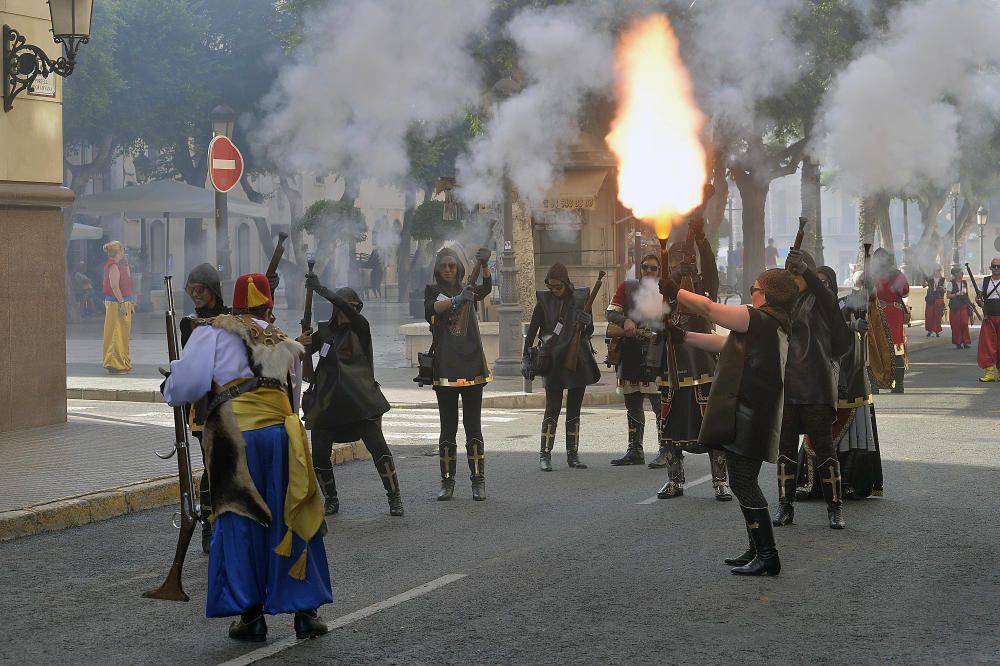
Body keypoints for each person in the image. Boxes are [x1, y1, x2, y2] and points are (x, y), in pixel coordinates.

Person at [161, 273, 331, 642]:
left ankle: (251, 616)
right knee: (291, 517)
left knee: (240, 520)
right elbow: (293, 397)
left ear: (234, 303)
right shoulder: (284, 339)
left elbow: (186, 385)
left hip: (236, 439)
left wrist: (169, 386)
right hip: (284, 438)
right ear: (268, 305)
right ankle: (306, 613)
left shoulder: (211, 331)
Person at [659, 267, 798, 576]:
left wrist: (675, 292)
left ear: (770, 295)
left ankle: (767, 554)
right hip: (750, 411)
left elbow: (709, 309)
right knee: (741, 481)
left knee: (743, 482)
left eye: (755, 288)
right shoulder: (765, 325)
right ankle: (756, 549)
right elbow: (724, 344)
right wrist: (682, 336)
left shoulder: (760, 319)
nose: (751, 293)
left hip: (751, 412)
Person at [300, 279, 403, 517]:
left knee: (380, 450)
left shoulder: (361, 328)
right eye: (346, 306)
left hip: (361, 402)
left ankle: (394, 496)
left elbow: (347, 309)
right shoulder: (324, 332)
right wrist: (302, 346)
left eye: (354, 307)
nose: (350, 311)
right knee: (319, 455)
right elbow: (307, 374)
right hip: (327, 404)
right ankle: (331, 499)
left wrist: (323, 290)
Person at [772, 249, 853, 530]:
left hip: (815, 387)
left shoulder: (821, 302)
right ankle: (785, 506)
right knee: (785, 450)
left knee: (824, 449)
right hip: (785, 387)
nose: (795, 277)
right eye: (790, 271)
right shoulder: (780, 305)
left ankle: (835, 508)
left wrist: (805, 269)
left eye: (799, 272)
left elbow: (829, 298)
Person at [653, 220, 732, 501]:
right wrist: (673, 275)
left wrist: (701, 241)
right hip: (671, 363)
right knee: (668, 425)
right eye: (675, 259)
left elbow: (710, 272)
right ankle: (674, 480)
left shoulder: (701, 286)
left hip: (702, 363)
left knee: (712, 424)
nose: (682, 263)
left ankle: (721, 481)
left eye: (686, 259)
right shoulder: (662, 287)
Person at [425, 246, 493, 501]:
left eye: (452, 265)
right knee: (447, 428)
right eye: (443, 266)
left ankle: (478, 480)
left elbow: (485, 289)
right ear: (437, 269)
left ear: (459, 268)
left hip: (472, 364)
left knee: (473, 426)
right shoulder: (432, 292)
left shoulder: (469, 288)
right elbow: (432, 308)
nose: (448, 270)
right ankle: (447, 481)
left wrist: (484, 265)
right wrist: (457, 299)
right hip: (445, 367)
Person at [523, 263, 600, 472]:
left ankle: (572, 455)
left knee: (574, 411)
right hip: (553, 361)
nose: (554, 291)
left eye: (558, 287)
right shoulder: (543, 302)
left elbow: (589, 330)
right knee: (552, 409)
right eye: (551, 288)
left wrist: (588, 321)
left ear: (566, 284)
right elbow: (532, 332)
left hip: (577, 360)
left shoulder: (581, 299)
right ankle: (544, 455)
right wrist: (526, 358)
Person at [178, 263, 231, 554]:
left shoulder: (232, 316)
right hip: (205, 405)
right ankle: (209, 527)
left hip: (233, 401)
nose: (195, 295)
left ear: (212, 290)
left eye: (200, 290)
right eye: (192, 290)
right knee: (212, 467)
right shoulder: (190, 323)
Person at [605, 254, 662, 468]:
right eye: (645, 267)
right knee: (633, 404)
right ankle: (635, 450)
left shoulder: (665, 291)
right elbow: (611, 312)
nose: (648, 271)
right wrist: (625, 320)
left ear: (659, 271)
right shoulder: (627, 287)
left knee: (659, 405)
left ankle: (665, 451)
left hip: (656, 354)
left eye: (653, 268)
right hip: (629, 353)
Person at [872, 248, 910, 393]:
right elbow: (905, 291)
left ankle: (875, 385)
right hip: (895, 313)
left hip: (877, 313)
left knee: (876, 349)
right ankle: (899, 385)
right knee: (897, 349)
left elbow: (867, 293)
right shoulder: (897, 274)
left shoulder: (873, 275)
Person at [101, 240, 134, 374]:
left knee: (123, 335)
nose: (124, 251)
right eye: (123, 249)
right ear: (118, 251)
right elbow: (114, 286)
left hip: (123, 301)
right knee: (116, 334)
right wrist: (121, 303)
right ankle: (114, 364)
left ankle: (123, 363)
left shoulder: (119, 265)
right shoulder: (112, 266)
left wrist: (125, 262)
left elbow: (128, 278)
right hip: (116, 303)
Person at [975, 259, 1000, 382]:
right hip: (988, 317)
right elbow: (978, 297)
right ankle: (990, 373)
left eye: (998, 266)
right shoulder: (984, 282)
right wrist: (979, 301)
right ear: (990, 268)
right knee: (987, 345)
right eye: (994, 266)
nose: (996, 269)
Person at [947, 266, 972, 350]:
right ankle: (958, 342)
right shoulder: (951, 283)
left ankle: (965, 341)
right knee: (956, 325)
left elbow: (966, 294)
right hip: (955, 306)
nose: (962, 275)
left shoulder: (964, 283)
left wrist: (970, 304)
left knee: (964, 323)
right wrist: (957, 294)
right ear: (956, 274)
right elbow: (948, 296)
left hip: (964, 305)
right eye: (961, 273)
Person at [924, 268, 945, 337]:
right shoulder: (930, 279)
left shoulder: (943, 279)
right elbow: (924, 285)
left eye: (939, 271)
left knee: (937, 316)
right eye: (936, 271)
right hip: (931, 299)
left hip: (938, 299)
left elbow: (945, 289)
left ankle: (937, 331)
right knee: (929, 315)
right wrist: (926, 285)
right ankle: (930, 330)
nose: (938, 272)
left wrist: (942, 289)